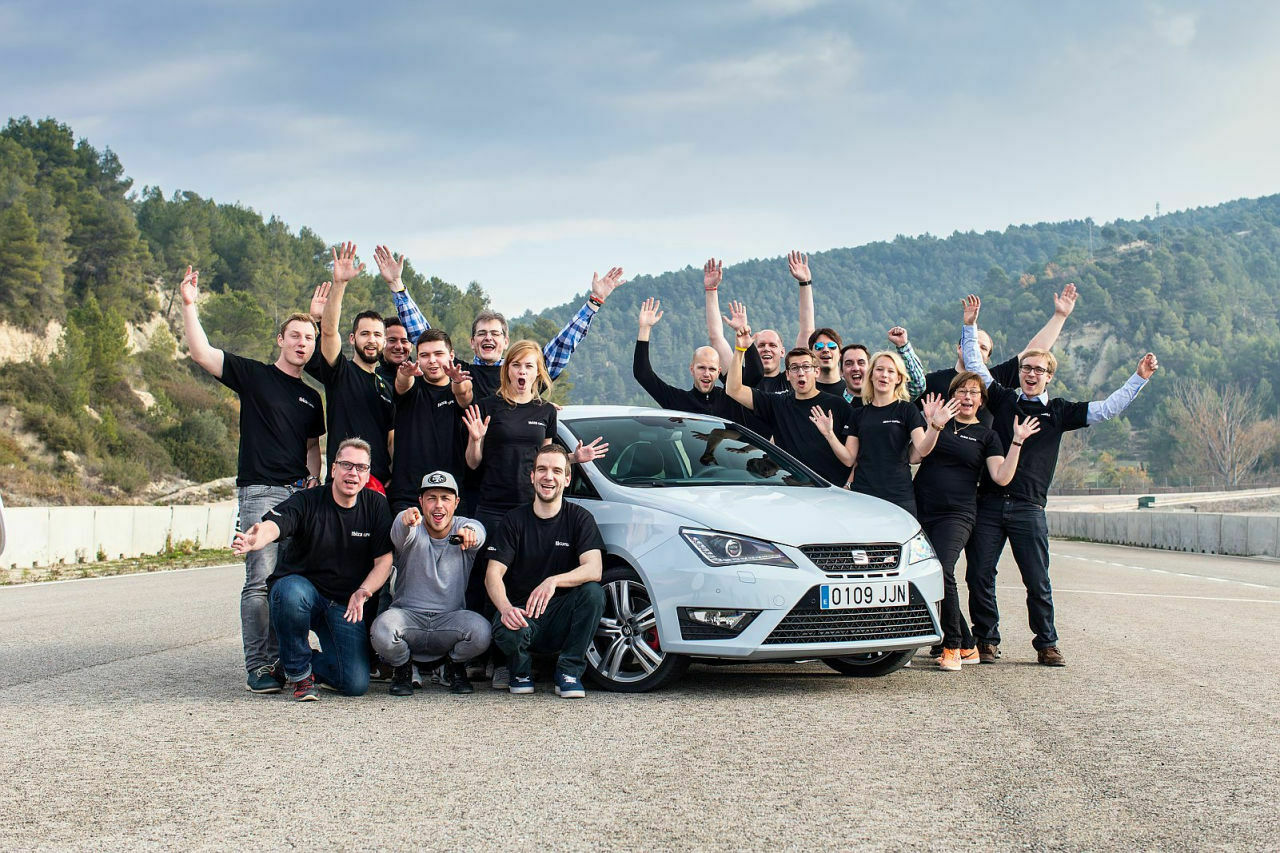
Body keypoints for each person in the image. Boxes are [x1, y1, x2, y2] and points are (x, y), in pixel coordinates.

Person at [960, 294, 1158, 666]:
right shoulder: (1001, 399)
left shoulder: (1060, 412)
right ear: (1020, 372)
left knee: (1037, 580)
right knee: (979, 574)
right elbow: (974, 363)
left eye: (1039, 370)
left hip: (1029, 509)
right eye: (1026, 368)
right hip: (988, 503)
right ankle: (986, 638)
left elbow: (1107, 409)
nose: (1031, 374)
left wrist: (1139, 379)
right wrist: (969, 325)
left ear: (1049, 376)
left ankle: (1046, 642)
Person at [178, 265, 324, 694]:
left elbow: (313, 448)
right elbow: (203, 353)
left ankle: (284, 659)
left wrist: (312, 482)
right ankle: (258, 665)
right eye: (295, 335)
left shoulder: (312, 396)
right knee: (259, 579)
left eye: (310, 338)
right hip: (260, 491)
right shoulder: (255, 376)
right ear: (280, 339)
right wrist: (189, 305)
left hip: (298, 494)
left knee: (287, 581)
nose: (302, 343)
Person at [231, 439, 393, 701]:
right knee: (290, 593)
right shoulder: (308, 500)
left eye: (361, 468)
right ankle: (300, 676)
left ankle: (292, 658)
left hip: (344, 604)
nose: (353, 473)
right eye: (346, 465)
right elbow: (277, 524)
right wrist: (258, 539)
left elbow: (384, 561)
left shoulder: (375, 505)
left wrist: (364, 591)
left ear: (367, 474)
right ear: (333, 469)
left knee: (354, 683)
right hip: (302, 594)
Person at [372, 244, 626, 399]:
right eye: (481, 334)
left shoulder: (523, 373)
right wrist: (397, 286)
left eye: (495, 334)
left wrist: (593, 303)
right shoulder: (459, 372)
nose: (488, 338)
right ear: (472, 343)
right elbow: (426, 338)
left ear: (506, 341)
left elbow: (562, 345)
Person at [912, 372, 1040, 671]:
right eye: (961, 391)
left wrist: (1017, 442)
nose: (967, 397)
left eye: (974, 392)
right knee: (918, 573)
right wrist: (934, 424)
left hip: (958, 513)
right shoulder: (937, 421)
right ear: (952, 395)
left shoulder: (988, 435)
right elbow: (916, 456)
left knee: (942, 569)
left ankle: (953, 645)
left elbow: (1001, 476)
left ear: (981, 401)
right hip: (922, 508)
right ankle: (969, 645)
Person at [484, 444, 606, 698]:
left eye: (556, 471)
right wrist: (506, 609)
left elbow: (594, 569)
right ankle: (519, 670)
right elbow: (492, 575)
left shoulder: (580, 519)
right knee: (507, 626)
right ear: (532, 476)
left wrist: (553, 581)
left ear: (567, 478)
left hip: (562, 616)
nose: (548, 477)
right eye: (542, 469)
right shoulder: (514, 520)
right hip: (523, 615)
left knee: (593, 593)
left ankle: (569, 672)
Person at [370, 471, 489, 696]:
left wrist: (471, 534)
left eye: (445, 498)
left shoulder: (464, 526)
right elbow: (400, 530)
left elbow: (478, 532)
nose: (438, 506)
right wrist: (405, 520)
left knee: (481, 631)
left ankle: (452, 666)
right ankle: (403, 668)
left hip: (449, 621)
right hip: (409, 618)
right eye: (431, 498)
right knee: (381, 630)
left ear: (456, 502)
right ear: (421, 502)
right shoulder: (412, 526)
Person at [304, 243, 395, 491]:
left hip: (378, 486)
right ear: (353, 339)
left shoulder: (386, 386)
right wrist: (340, 284)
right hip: (342, 482)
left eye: (377, 334)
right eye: (365, 334)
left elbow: (390, 440)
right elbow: (329, 331)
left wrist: (393, 477)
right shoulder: (340, 373)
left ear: (384, 341)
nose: (372, 340)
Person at [920, 283, 1078, 426]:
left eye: (983, 348)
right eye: (972, 344)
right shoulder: (934, 381)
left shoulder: (994, 380)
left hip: (986, 455)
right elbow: (905, 407)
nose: (975, 350)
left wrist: (1060, 317)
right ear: (960, 347)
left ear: (987, 358)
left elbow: (1032, 353)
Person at [724, 315, 853, 487]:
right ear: (787, 375)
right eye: (794, 368)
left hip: (829, 491)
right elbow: (733, 389)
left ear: (816, 371)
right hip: (791, 491)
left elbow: (853, 457)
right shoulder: (777, 403)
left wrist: (848, 485)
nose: (801, 373)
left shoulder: (838, 405)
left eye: (806, 367)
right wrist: (740, 350)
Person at [820, 351, 953, 515]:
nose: (884, 375)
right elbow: (849, 459)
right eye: (879, 369)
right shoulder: (859, 414)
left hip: (898, 496)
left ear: (898, 378)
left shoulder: (907, 409)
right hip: (863, 495)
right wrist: (829, 434)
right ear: (871, 375)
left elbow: (923, 449)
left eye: (891, 371)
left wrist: (935, 426)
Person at [703, 251, 816, 394]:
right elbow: (716, 338)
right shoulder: (740, 378)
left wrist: (805, 283)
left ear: (782, 352)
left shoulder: (792, 379)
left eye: (772, 345)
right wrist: (711, 290)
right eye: (761, 345)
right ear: (753, 350)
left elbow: (807, 331)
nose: (766, 349)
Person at [388, 329, 473, 515]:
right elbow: (402, 385)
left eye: (438, 354)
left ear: (451, 355)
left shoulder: (458, 387)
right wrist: (405, 374)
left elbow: (464, 395)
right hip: (408, 495)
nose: (432, 360)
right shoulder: (412, 388)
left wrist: (458, 381)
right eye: (424, 355)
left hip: (452, 497)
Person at [633, 297, 748, 421]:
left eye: (712, 369)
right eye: (701, 368)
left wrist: (744, 335)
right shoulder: (678, 401)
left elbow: (754, 376)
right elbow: (643, 374)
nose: (707, 374)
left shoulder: (732, 398)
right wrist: (645, 329)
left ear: (718, 372)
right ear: (692, 369)